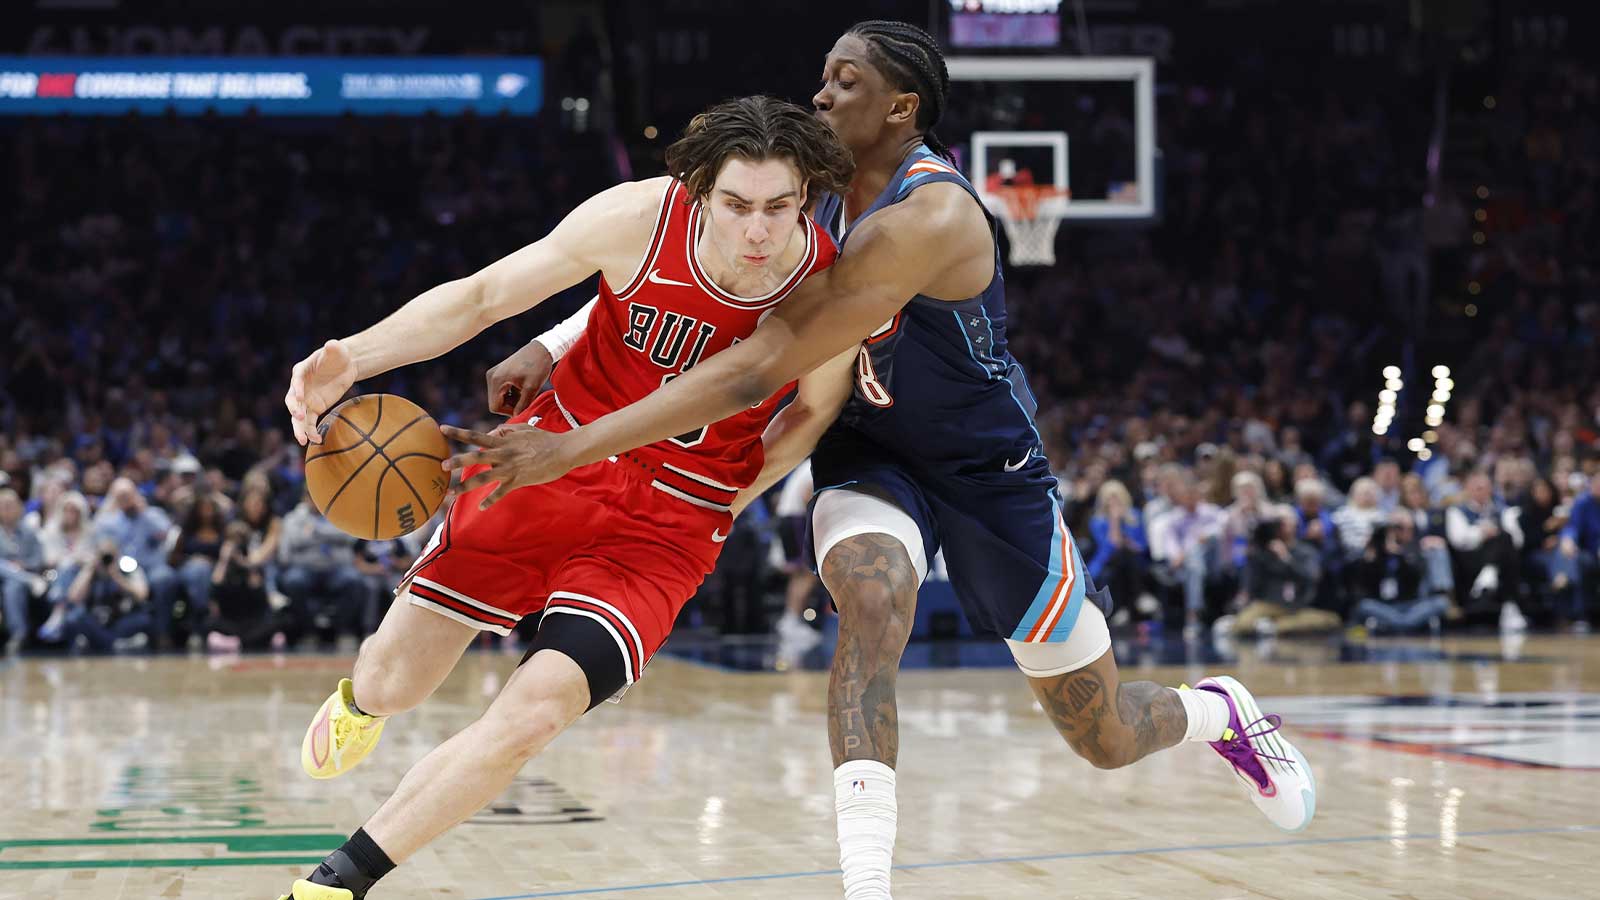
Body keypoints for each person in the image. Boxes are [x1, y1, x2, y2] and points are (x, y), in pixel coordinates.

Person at [470, 21, 1315, 899]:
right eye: (822, 78)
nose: (821, 96)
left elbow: (759, 363)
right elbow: (697, 269)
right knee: (871, 605)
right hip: (869, 448)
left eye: (843, 82)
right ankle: (865, 882)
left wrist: (570, 446)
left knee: (1103, 737)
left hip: (988, 473)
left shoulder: (933, 213)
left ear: (901, 107)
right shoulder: (808, 186)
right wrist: (556, 339)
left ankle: (1221, 712)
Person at [274, 95, 856, 900]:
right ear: (696, 191)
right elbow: (483, 296)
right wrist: (356, 356)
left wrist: (732, 497)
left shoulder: (829, 286)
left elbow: (813, 411)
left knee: (537, 710)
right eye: (735, 205)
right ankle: (360, 703)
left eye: (778, 207)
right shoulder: (637, 220)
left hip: (669, 522)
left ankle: (338, 882)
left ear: (807, 198)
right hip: (543, 460)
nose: (758, 230)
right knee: (394, 683)